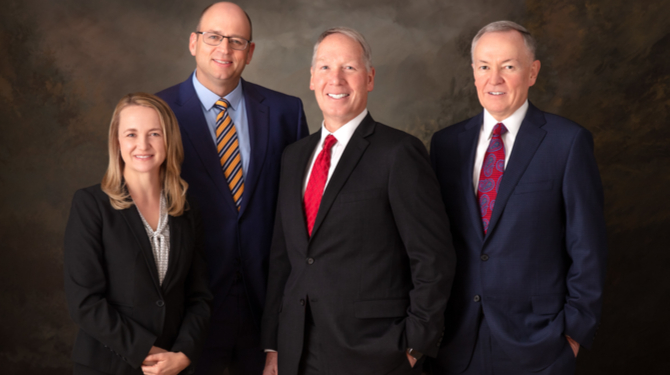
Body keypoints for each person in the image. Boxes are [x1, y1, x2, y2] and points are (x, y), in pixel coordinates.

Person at [260, 27, 456, 375]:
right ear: (311, 78)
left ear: (369, 78)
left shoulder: (399, 153)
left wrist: (413, 346)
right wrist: (275, 345)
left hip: (374, 353)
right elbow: (283, 259)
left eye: (349, 68)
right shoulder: (293, 157)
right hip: (296, 352)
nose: (335, 78)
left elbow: (433, 258)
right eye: (324, 67)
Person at [429, 21, 608, 375]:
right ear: (474, 73)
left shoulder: (567, 142)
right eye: (484, 66)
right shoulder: (446, 144)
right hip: (455, 343)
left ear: (532, 72)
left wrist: (572, 334)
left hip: (538, 344)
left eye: (508, 66)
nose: (494, 79)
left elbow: (588, 247)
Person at [156, 2, 309, 374]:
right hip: (190, 309)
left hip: (267, 308)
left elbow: (302, 213)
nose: (224, 49)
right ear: (193, 42)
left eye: (237, 41)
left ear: (250, 52)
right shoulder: (158, 112)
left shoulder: (286, 112)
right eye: (213, 37)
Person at [64, 93, 212, 375]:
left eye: (154, 133)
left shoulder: (187, 209)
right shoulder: (90, 205)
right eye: (131, 134)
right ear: (117, 142)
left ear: (169, 140)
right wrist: (144, 350)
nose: (142, 145)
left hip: (173, 366)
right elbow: (84, 300)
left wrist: (183, 353)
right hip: (109, 365)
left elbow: (199, 296)